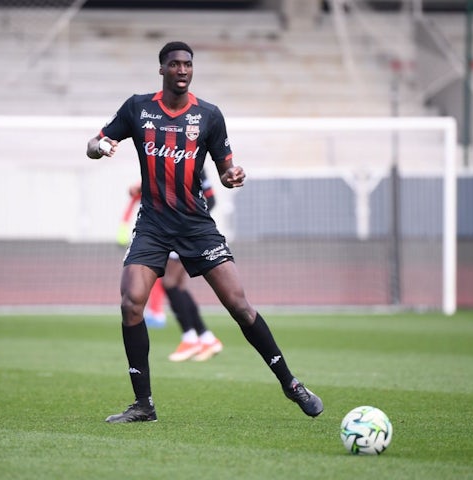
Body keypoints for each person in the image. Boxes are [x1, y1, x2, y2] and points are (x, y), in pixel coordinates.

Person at [87, 41, 323, 423]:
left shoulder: (209, 115)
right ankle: (143, 405)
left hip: (197, 226)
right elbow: (95, 142)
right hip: (153, 225)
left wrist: (233, 176)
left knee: (239, 306)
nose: (182, 70)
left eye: (187, 64)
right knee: (131, 302)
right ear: (162, 70)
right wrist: (99, 147)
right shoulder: (138, 108)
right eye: (175, 64)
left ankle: (291, 384)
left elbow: (227, 167)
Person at [124, 172, 224, 362]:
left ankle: (190, 338)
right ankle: (205, 337)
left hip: (183, 230)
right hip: (174, 229)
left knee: (169, 283)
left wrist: (189, 221)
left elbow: (211, 200)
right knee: (177, 285)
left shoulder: (194, 161)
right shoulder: (169, 157)